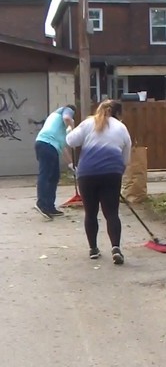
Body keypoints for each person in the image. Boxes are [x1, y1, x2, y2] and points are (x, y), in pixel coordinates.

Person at [66, 100, 132, 265]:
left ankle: (93, 249)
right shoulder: (121, 128)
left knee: (91, 212)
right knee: (111, 213)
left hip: (87, 173)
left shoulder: (88, 123)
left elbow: (71, 142)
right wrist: (118, 173)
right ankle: (116, 247)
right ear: (118, 113)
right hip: (112, 172)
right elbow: (126, 157)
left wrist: (69, 130)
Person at [34, 105, 76, 219]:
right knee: (46, 174)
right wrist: (74, 128)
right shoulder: (67, 110)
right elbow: (67, 118)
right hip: (47, 144)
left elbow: (63, 148)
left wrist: (71, 164)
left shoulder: (58, 127)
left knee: (54, 176)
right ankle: (41, 203)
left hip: (48, 146)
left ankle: (49, 207)